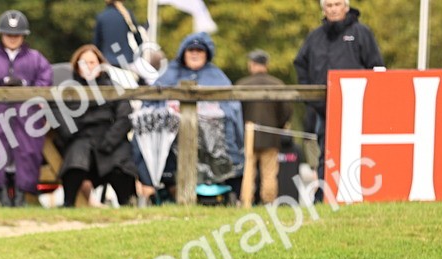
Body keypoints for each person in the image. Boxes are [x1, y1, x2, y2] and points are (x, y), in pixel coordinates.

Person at [294, 0, 382, 196]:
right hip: (323, 109)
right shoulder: (315, 37)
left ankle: (359, 191)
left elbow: (376, 67)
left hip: (357, 109)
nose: (333, 9)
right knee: (326, 153)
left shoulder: (361, 33)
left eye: (337, 4)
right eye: (329, 5)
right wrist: (311, 97)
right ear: (323, 9)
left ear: (346, 6)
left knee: (359, 152)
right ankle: (325, 195)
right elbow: (300, 64)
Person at [0, 10, 52, 206]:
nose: (13, 39)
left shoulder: (36, 58)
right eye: (9, 35)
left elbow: (45, 81)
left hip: (25, 118)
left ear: (23, 36)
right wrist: (1, 82)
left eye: (16, 35)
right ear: (1, 35)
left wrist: (23, 85)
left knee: (26, 154)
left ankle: (23, 196)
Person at [158, 31, 244, 197]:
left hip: (213, 141)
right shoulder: (170, 74)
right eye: (191, 50)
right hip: (175, 140)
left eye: (199, 50)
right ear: (184, 53)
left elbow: (232, 109)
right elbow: (154, 102)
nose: (195, 53)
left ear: (206, 54)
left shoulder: (217, 76)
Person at [54, 44, 136, 207]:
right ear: (77, 66)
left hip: (110, 138)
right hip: (81, 137)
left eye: (92, 62)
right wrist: (74, 132)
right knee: (75, 163)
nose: (88, 66)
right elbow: (59, 115)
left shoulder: (114, 88)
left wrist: (109, 142)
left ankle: (127, 205)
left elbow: (124, 117)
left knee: (120, 166)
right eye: (84, 63)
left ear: (99, 64)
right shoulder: (67, 91)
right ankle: (68, 203)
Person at [235, 49, 293, 205]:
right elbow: (286, 111)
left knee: (248, 171)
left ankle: (246, 202)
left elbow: (235, 111)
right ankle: (268, 202)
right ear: (266, 65)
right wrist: (278, 126)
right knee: (269, 173)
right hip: (271, 137)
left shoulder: (242, 85)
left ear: (252, 64)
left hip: (247, 136)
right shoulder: (278, 84)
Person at [93, 0, 142, 70]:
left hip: (107, 61)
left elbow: (96, 43)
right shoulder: (127, 15)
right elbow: (139, 39)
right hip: (127, 60)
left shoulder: (101, 17)